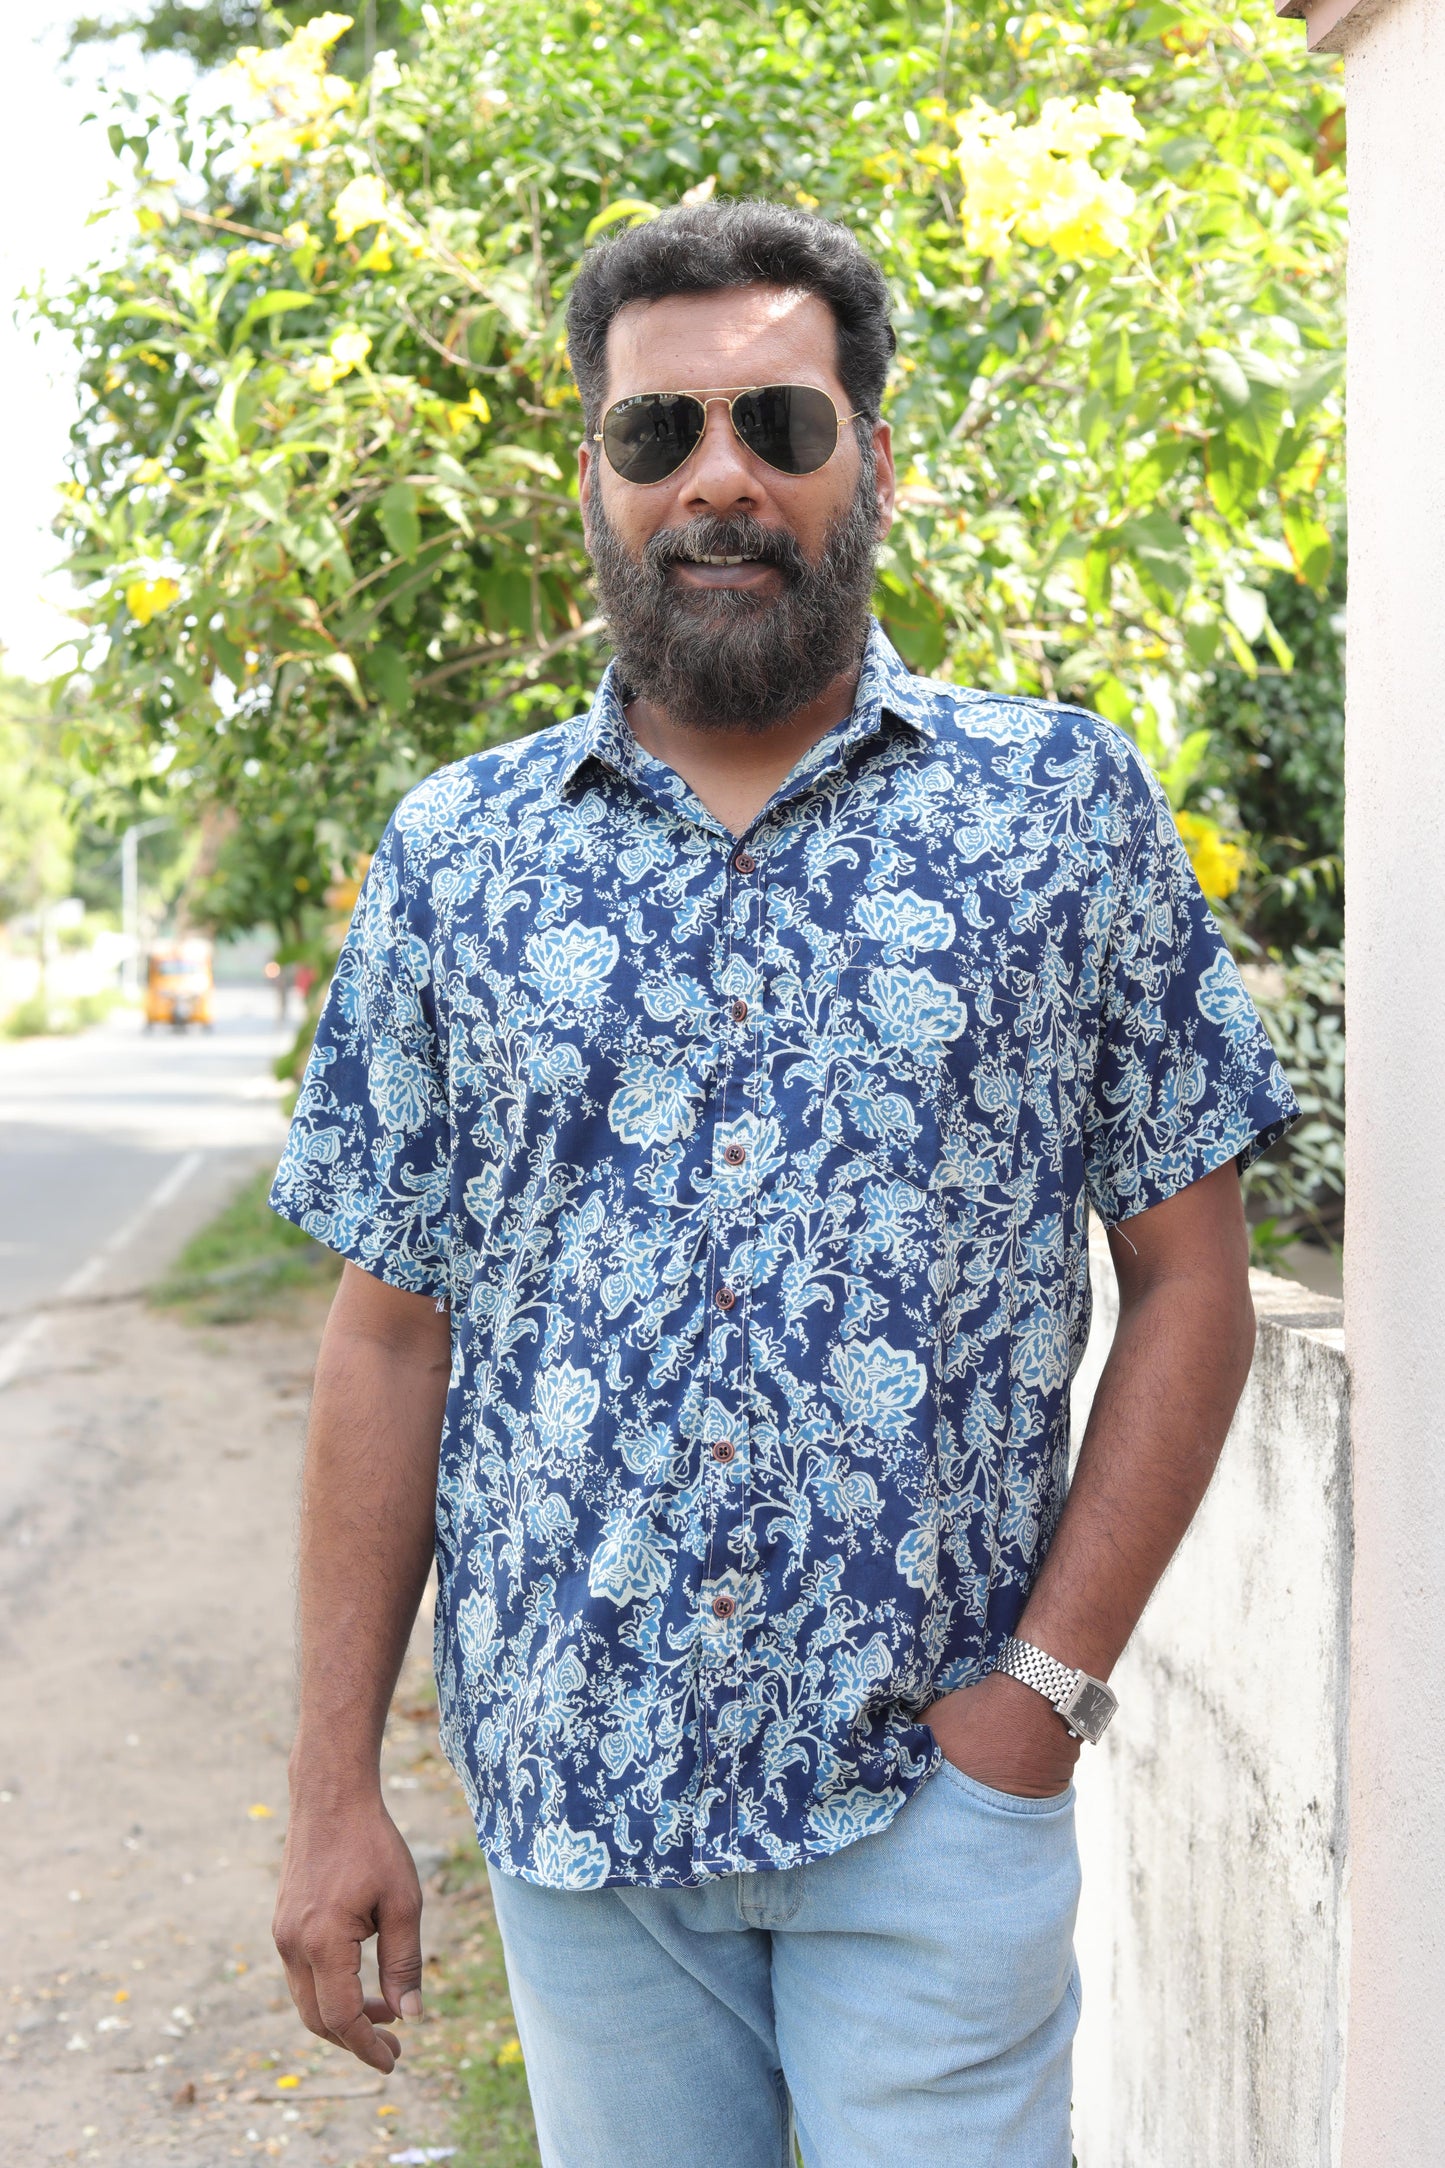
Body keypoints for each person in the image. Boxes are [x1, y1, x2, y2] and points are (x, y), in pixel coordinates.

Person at [268, 199, 1298, 2167]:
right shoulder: (459, 855)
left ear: (874, 461)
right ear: (596, 474)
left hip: (935, 1805)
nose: (718, 478)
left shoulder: (1055, 809)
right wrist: (333, 1788)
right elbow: (389, 1333)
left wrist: (1042, 1699)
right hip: (587, 1830)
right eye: (658, 434)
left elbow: (1192, 1276)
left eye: (780, 425)